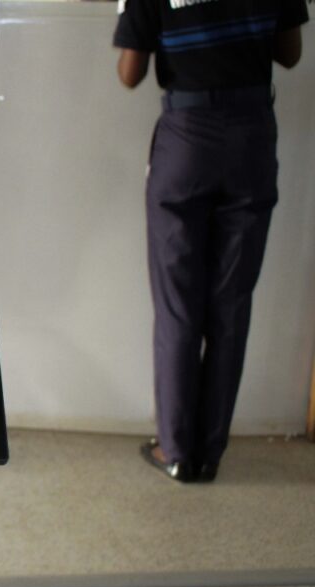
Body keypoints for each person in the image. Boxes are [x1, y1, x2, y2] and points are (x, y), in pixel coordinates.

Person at [113, 0, 307, 482]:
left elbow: (130, 74)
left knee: (178, 306)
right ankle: (210, 452)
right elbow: (290, 53)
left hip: (186, 140)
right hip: (251, 137)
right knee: (231, 306)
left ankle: (177, 451)